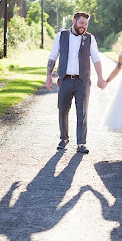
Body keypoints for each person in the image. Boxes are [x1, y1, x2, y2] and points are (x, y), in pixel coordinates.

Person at [45, 11, 107, 154]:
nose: (83, 26)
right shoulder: (61, 36)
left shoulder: (89, 38)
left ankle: (81, 143)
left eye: (85, 24)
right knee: (62, 110)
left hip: (83, 81)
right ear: (74, 20)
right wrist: (48, 76)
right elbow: (53, 56)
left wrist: (100, 77)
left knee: (82, 112)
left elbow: (96, 58)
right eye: (81, 23)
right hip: (65, 80)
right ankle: (64, 138)